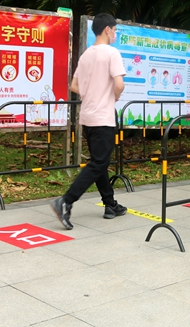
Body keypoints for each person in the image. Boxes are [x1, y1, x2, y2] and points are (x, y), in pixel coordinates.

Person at [50, 13, 127, 229]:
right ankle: (66, 201)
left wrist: (92, 92)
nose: (115, 34)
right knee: (99, 163)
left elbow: (74, 86)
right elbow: (119, 84)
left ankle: (110, 204)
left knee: (99, 161)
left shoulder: (85, 56)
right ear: (107, 30)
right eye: (115, 30)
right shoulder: (111, 53)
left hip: (88, 116)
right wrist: (114, 96)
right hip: (103, 116)